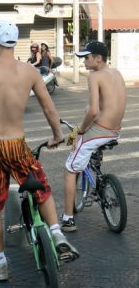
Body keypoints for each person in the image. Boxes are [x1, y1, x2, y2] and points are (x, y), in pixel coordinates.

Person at [0, 20, 79, 282]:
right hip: (16, 145)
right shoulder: (29, 72)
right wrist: (57, 134)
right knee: (41, 189)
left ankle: (0, 264)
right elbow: (48, 107)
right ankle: (56, 232)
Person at [61, 41, 127, 232]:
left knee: (69, 169)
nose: (84, 62)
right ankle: (91, 161)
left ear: (98, 58)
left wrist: (78, 131)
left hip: (99, 130)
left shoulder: (95, 76)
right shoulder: (116, 73)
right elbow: (95, 108)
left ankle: (68, 219)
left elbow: (93, 112)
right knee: (82, 120)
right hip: (114, 130)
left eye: (86, 57)